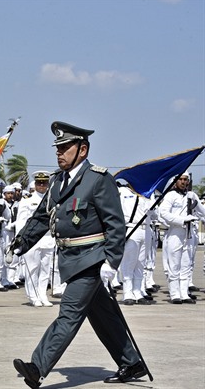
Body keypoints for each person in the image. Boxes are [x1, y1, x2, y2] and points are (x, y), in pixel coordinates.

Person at [10, 122, 148, 388]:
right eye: (57, 148)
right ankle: (131, 362)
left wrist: (111, 261)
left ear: (82, 150)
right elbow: (41, 217)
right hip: (69, 258)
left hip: (92, 258)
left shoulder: (98, 179)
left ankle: (37, 367)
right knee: (102, 315)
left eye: (65, 148)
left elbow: (115, 224)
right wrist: (21, 243)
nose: (59, 153)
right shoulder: (56, 182)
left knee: (69, 313)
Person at [158, 172, 205, 304]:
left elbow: (202, 211)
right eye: (181, 179)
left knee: (186, 264)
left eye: (186, 180)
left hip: (189, 233)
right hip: (175, 232)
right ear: (175, 181)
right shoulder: (170, 196)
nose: (184, 182)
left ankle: (184, 293)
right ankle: (175, 294)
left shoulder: (192, 196)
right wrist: (182, 220)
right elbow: (163, 213)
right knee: (174, 265)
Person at [12, 171, 55, 307]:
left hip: (48, 238)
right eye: (39, 183)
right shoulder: (27, 200)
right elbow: (21, 222)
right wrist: (20, 239)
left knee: (45, 269)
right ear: (35, 184)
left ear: (48, 184)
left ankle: (42, 294)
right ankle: (33, 296)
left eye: (44, 183)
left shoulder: (52, 200)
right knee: (32, 268)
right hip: (31, 239)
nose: (42, 185)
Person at [117, 183, 153, 305]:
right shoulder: (123, 192)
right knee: (129, 262)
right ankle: (127, 293)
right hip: (132, 228)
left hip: (146, 228)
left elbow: (155, 213)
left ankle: (137, 290)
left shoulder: (147, 193)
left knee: (141, 262)